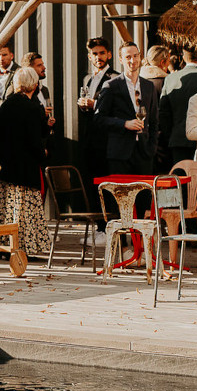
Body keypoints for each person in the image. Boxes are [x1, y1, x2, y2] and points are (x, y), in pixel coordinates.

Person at [0, 69, 52, 266]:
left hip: (6, 164)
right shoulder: (32, 107)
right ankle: (23, 248)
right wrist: (43, 153)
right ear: (34, 84)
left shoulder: (6, 105)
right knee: (24, 210)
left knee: (4, 207)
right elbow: (34, 139)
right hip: (25, 166)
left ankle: (2, 247)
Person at [94, 43, 161, 175]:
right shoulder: (111, 86)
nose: (132, 60)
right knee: (121, 195)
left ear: (140, 57)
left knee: (145, 195)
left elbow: (154, 121)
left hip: (144, 153)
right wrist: (124, 124)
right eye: (128, 57)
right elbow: (98, 119)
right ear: (121, 60)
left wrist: (152, 147)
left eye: (135, 56)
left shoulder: (149, 86)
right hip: (119, 155)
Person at [78, 37, 120, 242]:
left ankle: (109, 228)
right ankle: (99, 227)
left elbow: (116, 109)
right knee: (92, 185)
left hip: (107, 142)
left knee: (107, 185)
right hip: (90, 141)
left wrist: (93, 104)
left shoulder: (116, 78)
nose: (98, 57)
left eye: (102, 53)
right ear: (89, 56)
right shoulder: (87, 79)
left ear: (109, 54)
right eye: (94, 54)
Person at [158, 46, 197, 166]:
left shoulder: (170, 78)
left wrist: (170, 134)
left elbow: (163, 112)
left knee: (180, 180)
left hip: (177, 139)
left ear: (184, 58)